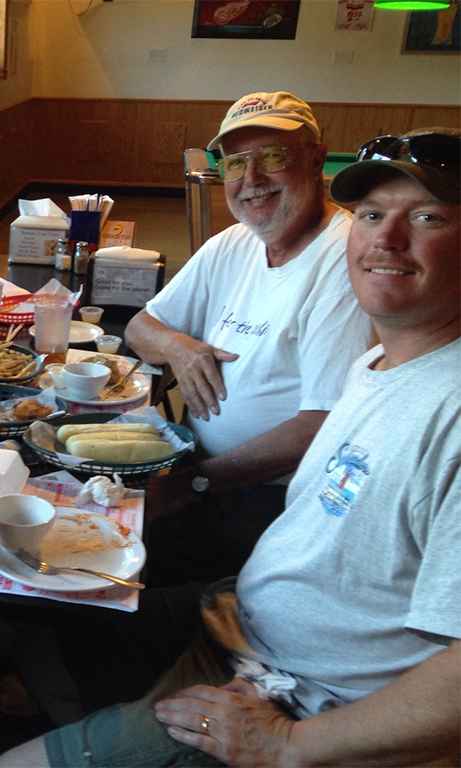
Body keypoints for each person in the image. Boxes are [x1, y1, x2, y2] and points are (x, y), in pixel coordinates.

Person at [0, 128, 460, 767]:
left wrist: (287, 744)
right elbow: (148, 325)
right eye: (373, 215)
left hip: (305, 696)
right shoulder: (383, 359)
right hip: (240, 613)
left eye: (427, 217)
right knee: (43, 644)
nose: (386, 239)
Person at [124, 91, 373, 586]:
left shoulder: (345, 261)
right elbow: (138, 329)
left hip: (270, 496)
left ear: (317, 160)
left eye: (273, 157)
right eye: (236, 163)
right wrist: (180, 347)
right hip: (197, 464)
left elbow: (322, 428)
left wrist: (194, 484)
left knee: (116, 544)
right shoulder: (234, 243)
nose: (252, 179)